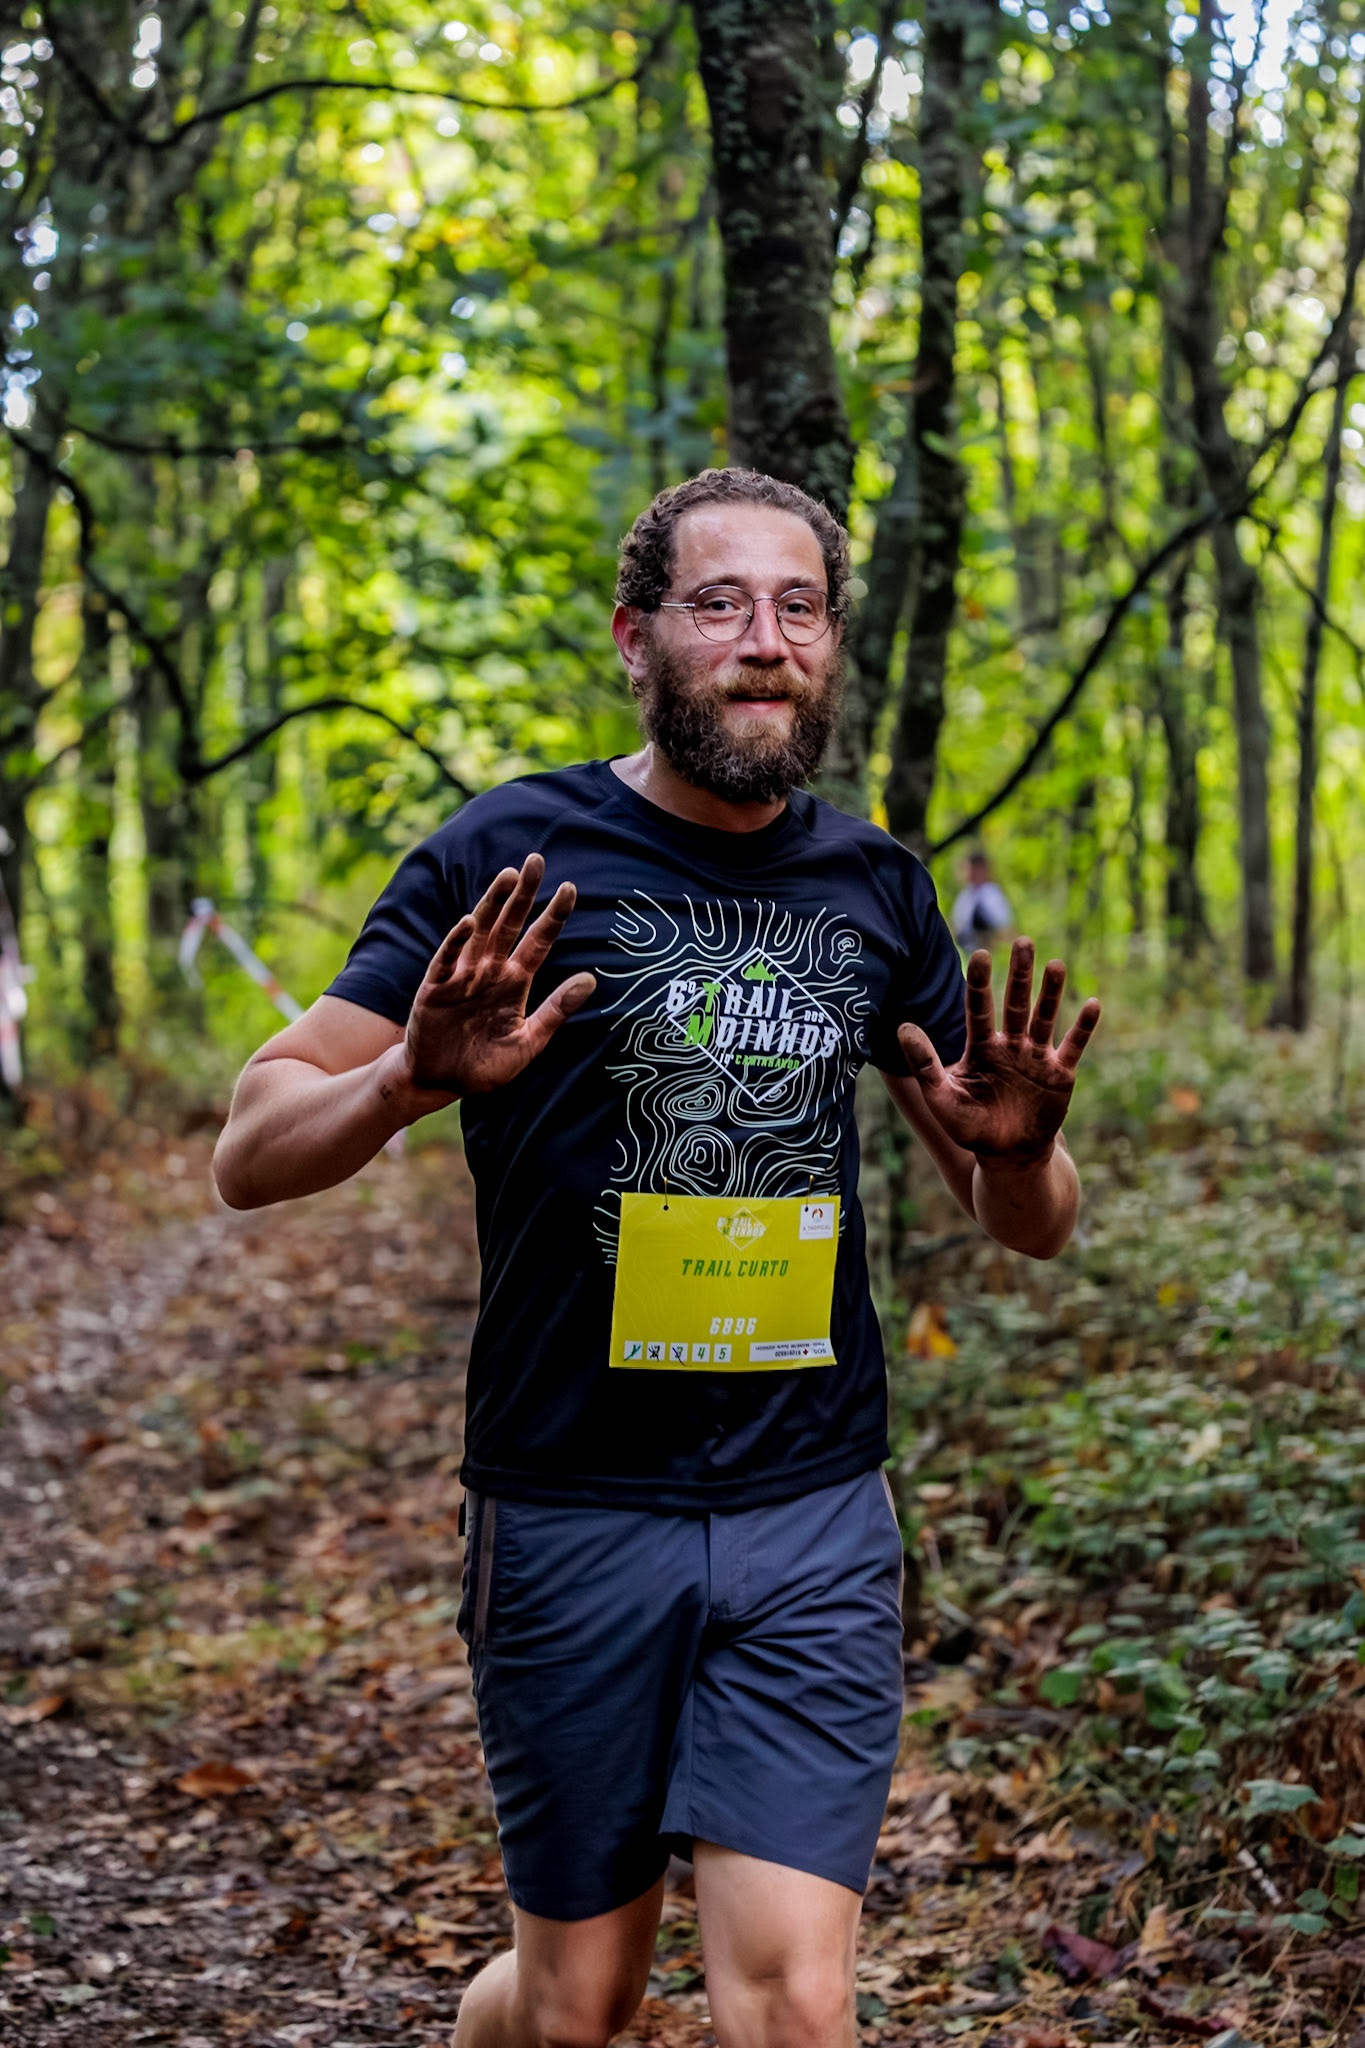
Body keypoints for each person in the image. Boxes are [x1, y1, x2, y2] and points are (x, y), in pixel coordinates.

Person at [213, 468, 1100, 2048]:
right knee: (578, 2006)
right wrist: (406, 1077)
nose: (765, 640)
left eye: (799, 607)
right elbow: (251, 1145)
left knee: (795, 2001)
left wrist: (1020, 1154)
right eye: (719, 604)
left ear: (830, 644)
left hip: (811, 1507)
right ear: (636, 637)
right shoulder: (514, 853)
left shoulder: (876, 890)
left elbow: (1026, 1219)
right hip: (570, 1501)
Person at [952, 848, 1013, 952]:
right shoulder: (964, 896)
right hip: (965, 949)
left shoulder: (992, 893)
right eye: (972, 867)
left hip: (987, 948)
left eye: (977, 867)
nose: (974, 871)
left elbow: (1004, 927)